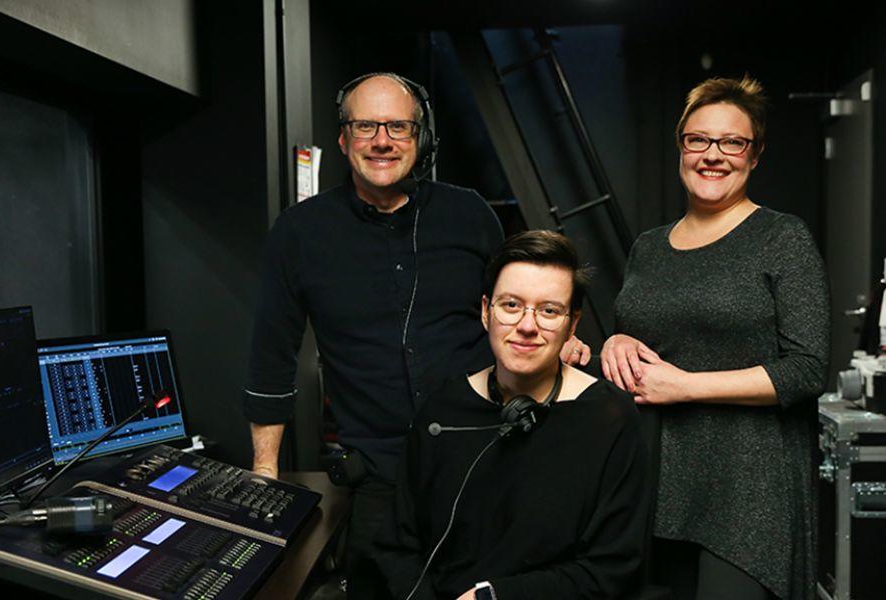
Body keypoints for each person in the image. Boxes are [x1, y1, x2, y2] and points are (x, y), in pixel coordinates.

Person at [243, 73, 590, 599]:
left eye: (399, 127)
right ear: (344, 139)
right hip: (378, 483)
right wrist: (265, 469)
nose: (382, 140)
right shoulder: (298, 233)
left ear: (420, 138)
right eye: (366, 126)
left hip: (486, 461)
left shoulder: (470, 214)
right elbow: (272, 355)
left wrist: (553, 340)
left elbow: (510, 307)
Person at [601, 76, 830, 600]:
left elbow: (807, 369)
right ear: (681, 146)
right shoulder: (648, 248)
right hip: (658, 479)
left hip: (750, 494)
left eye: (733, 142)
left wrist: (687, 388)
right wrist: (614, 342)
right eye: (699, 139)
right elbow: (642, 338)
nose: (713, 155)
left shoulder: (781, 238)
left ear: (755, 155)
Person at [377, 230, 648, 600]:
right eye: (511, 306)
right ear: (486, 312)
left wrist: (493, 597)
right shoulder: (442, 412)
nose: (527, 325)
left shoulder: (611, 419)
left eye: (549, 311)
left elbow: (612, 568)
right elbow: (399, 545)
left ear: (572, 324)